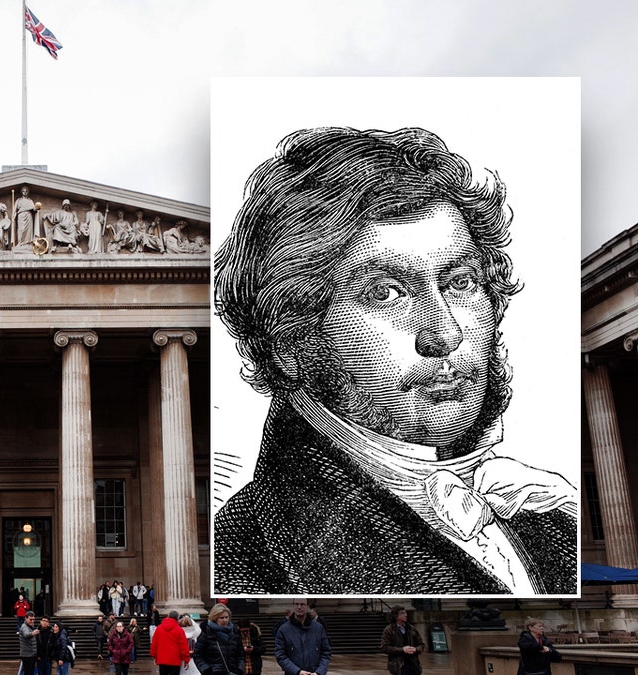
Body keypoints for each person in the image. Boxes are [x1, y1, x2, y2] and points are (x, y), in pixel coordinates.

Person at [213, 126, 578, 595]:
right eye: (386, 293)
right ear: (292, 345)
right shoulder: (247, 558)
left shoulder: (549, 513)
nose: (443, 334)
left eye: (461, 282)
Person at [275, 599, 329, 675]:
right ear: (293, 606)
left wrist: (319, 672)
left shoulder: (318, 628)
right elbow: (280, 655)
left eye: (302, 604)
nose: (299, 607)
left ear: (307, 606)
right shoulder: (284, 629)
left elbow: (326, 652)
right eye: (296, 604)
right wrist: (297, 671)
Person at [195, 603, 244, 675]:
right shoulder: (206, 632)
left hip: (233, 672)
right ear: (215, 618)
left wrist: (240, 669)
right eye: (221, 618)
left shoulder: (234, 631)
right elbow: (197, 654)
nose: (225, 620)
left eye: (226, 617)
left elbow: (240, 654)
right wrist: (207, 670)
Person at [380, 606, 425, 675]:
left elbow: (421, 645)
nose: (405, 615)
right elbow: (385, 647)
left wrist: (416, 649)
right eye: (402, 613)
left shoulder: (411, 628)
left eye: (405, 613)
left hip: (413, 664)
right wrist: (402, 650)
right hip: (399, 666)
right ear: (396, 616)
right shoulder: (389, 630)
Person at [151, 609, 191, 675]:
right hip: (175, 660)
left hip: (162, 660)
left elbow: (154, 644)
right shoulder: (179, 630)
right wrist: (186, 659)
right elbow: (183, 646)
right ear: (177, 618)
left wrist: (155, 656)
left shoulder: (159, 628)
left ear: (168, 616)